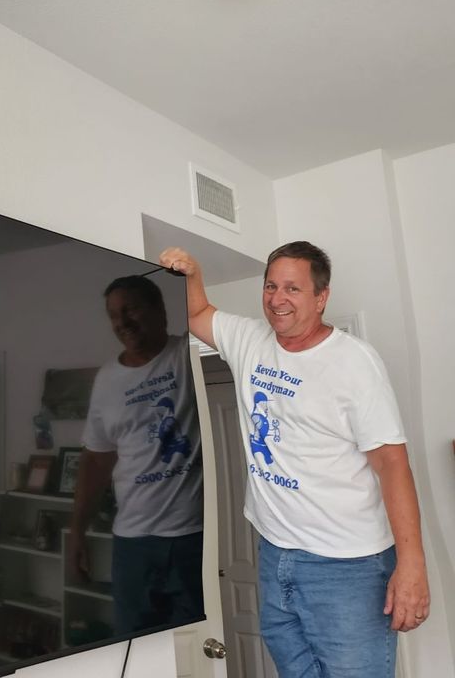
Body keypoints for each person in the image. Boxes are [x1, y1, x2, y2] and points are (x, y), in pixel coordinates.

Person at [159, 242, 430, 678]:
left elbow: (392, 465)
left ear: (321, 297)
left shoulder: (354, 364)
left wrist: (411, 564)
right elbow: (196, 315)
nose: (277, 299)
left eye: (292, 288)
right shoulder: (250, 339)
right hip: (274, 553)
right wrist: (192, 275)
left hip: (348, 566)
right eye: (270, 286)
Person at [67, 275, 204, 637]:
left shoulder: (188, 355)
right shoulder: (107, 380)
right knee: (134, 645)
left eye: (131, 310)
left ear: (160, 310)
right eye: (114, 315)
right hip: (132, 543)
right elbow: (96, 461)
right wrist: (77, 533)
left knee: (195, 647)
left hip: (193, 537)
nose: (122, 322)